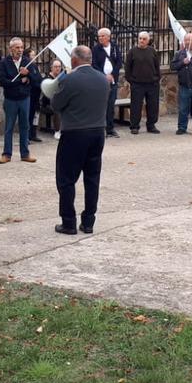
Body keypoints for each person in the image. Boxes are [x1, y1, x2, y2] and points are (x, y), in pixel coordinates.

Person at [51, 45, 110, 235]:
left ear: (75, 60)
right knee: (92, 178)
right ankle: (88, 222)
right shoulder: (103, 79)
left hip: (74, 133)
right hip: (98, 132)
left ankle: (69, 222)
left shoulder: (70, 79)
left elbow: (56, 104)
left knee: (66, 179)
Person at [0, 37, 40, 163]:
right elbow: (3, 82)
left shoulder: (28, 62)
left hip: (24, 99)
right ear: (10, 49)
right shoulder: (4, 62)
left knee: (25, 126)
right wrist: (20, 80)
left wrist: (28, 74)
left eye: (21, 47)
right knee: (9, 127)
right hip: (10, 100)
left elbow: (37, 80)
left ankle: (25, 154)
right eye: (17, 47)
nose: (20, 50)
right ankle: (7, 154)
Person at [123, 31, 160, 135]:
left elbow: (157, 66)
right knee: (136, 106)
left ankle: (151, 125)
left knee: (153, 105)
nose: (141, 41)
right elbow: (127, 68)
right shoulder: (132, 52)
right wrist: (132, 81)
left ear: (148, 41)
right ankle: (134, 126)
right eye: (140, 38)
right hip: (137, 84)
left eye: (144, 39)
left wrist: (157, 78)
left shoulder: (152, 51)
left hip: (152, 84)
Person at [91, 27, 123, 138]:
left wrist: (112, 75)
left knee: (110, 105)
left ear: (109, 37)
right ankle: (100, 128)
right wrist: (104, 76)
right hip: (100, 81)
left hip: (113, 81)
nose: (100, 38)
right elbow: (94, 64)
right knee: (100, 105)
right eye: (99, 36)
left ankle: (110, 128)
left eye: (103, 36)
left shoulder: (114, 47)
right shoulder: (95, 49)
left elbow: (119, 62)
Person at [39, 59, 65, 138]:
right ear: (51, 68)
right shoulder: (47, 78)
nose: (58, 68)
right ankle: (57, 131)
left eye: (59, 67)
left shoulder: (62, 77)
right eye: (56, 66)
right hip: (47, 104)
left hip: (61, 100)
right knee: (57, 109)